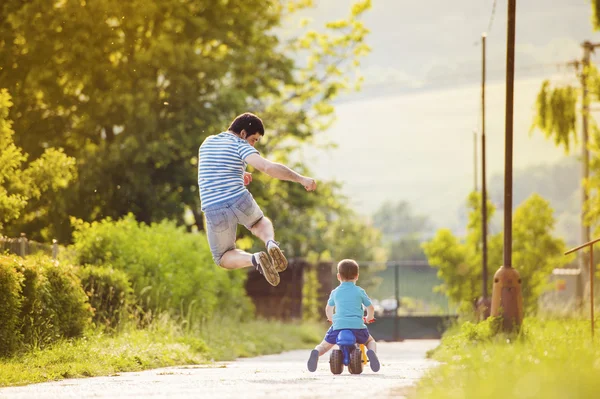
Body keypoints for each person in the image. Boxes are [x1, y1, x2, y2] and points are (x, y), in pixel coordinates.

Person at [198, 112, 317, 286]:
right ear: (243, 133)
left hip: (213, 207)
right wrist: (301, 179)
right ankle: (270, 243)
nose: (253, 144)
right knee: (260, 223)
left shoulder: (207, 142)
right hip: (238, 198)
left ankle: (254, 259)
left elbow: (212, 168)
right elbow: (267, 167)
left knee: (223, 256)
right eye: (254, 140)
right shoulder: (240, 144)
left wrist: (239, 172)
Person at [307, 259, 380, 372]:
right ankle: (371, 353)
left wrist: (331, 319)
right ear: (357, 276)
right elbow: (370, 307)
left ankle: (316, 352)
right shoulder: (359, 291)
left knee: (325, 346)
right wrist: (369, 318)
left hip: (338, 327)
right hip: (357, 327)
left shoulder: (335, 292)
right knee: (370, 341)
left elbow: (328, 308)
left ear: (338, 276)